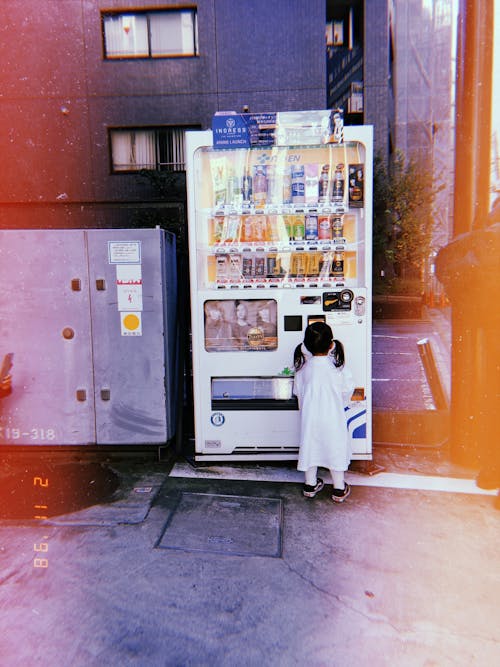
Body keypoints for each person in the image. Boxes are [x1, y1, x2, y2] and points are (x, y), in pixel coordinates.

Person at [293, 321, 354, 503]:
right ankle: (339, 489)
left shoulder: (303, 368)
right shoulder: (337, 368)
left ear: (307, 345)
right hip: (333, 418)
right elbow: (347, 391)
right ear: (330, 345)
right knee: (335, 449)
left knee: (310, 448)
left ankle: (310, 485)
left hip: (310, 418)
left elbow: (298, 392)